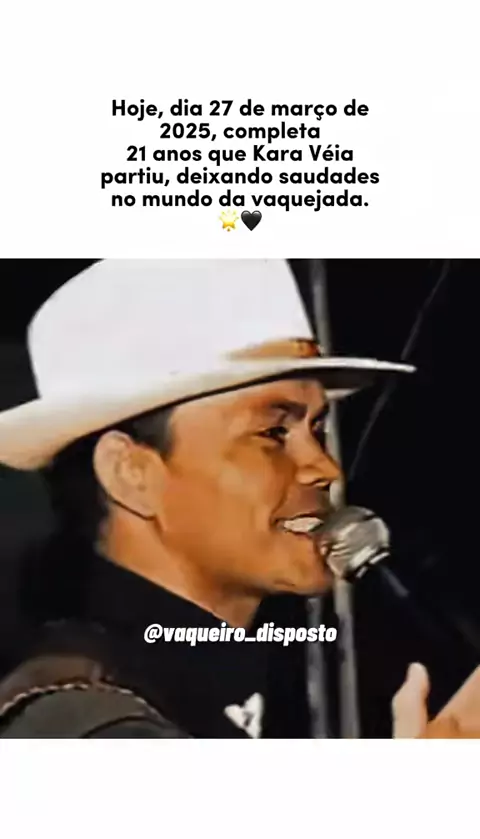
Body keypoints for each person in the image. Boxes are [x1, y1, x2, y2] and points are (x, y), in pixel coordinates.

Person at [0, 259, 415, 738]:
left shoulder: (194, 684)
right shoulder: (93, 729)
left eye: (316, 429)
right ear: (131, 474)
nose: (324, 468)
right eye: (273, 432)